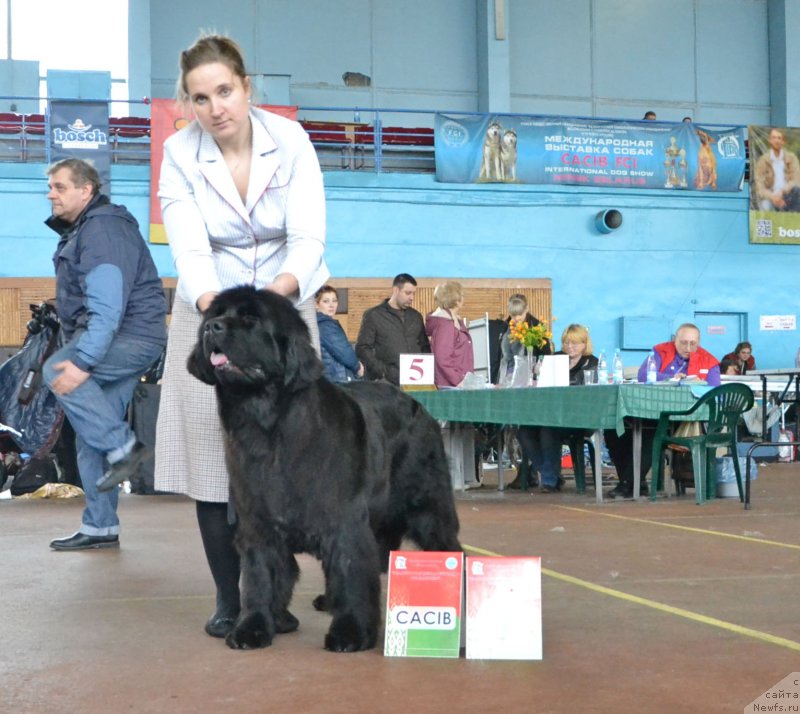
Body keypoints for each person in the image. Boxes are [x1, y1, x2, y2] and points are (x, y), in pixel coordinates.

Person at [152, 34, 329, 639]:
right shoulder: (178, 153)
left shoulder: (293, 141)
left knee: (294, 454)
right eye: (201, 99)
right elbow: (189, 247)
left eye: (224, 91)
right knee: (210, 458)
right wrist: (220, 315)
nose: (215, 107)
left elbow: (308, 238)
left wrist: (271, 307)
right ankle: (232, 598)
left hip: (283, 300)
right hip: (212, 304)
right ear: (190, 105)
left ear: (246, 87)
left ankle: (276, 596)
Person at [42, 158, 167, 550]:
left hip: (128, 337)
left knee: (56, 368)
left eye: (60, 187)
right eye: (51, 187)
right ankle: (101, 526)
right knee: (91, 431)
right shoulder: (90, 229)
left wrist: (82, 362)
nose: (51, 194)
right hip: (128, 336)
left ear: (86, 190)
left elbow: (108, 308)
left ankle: (125, 449)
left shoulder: (102, 230)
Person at [604, 323, 720, 499]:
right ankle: (636, 481)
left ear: (699, 342)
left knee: (651, 431)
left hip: (685, 416)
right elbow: (644, 375)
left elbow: (715, 389)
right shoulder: (660, 351)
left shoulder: (709, 360)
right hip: (648, 409)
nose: (688, 348)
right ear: (675, 340)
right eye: (683, 343)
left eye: (693, 343)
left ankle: (628, 483)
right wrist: (672, 379)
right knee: (613, 430)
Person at [515, 324, 598, 494]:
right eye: (567, 343)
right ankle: (549, 474)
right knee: (523, 430)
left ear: (584, 344)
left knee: (548, 429)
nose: (570, 347)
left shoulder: (591, 362)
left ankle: (550, 481)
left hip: (578, 416)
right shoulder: (556, 358)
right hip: (551, 412)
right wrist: (538, 372)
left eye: (574, 343)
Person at [499, 293, 551, 490]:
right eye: (513, 315)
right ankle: (523, 470)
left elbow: (545, 358)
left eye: (519, 315)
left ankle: (532, 472)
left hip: (532, 385)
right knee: (512, 431)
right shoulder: (506, 328)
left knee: (525, 429)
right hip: (511, 382)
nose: (516, 319)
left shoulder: (537, 328)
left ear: (526, 310)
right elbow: (504, 358)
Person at [356, 273, 430, 384]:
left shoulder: (416, 316)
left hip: (415, 382)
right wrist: (384, 372)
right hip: (385, 384)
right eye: (408, 293)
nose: (412, 298)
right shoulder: (373, 315)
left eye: (413, 293)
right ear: (396, 290)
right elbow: (362, 348)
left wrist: (426, 372)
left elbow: (424, 347)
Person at [425, 281, 474, 388]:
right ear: (456, 300)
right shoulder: (445, 324)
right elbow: (442, 358)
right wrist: (458, 381)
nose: (463, 298)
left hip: (456, 384)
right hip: (451, 386)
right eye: (462, 295)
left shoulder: (453, 321)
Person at [315, 285, 363, 382]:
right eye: (326, 301)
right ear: (316, 304)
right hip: (335, 377)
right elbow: (343, 351)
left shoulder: (321, 323)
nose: (331, 305)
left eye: (334, 300)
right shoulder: (326, 326)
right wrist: (357, 367)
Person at [753, 127, 800, 212]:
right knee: (765, 207)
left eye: (779, 138)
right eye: (774, 138)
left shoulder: (791, 158)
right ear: (769, 140)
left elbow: (796, 180)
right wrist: (773, 197)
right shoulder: (763, 161)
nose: (776, 141)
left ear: (783, 141)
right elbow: (759, 186)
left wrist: (782, 192)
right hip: (770, 196)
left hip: (789, 194)